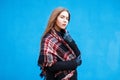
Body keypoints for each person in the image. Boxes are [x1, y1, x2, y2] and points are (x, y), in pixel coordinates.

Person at [38, 7, 82, 80]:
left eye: (67, 18)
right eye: (62, 17)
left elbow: (78, 56)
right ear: (55, 18)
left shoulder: (66, 36)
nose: (65, 21)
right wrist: (74, 64)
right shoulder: (48, 39)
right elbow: (51, 66)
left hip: (72, 76)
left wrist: (71, 41)